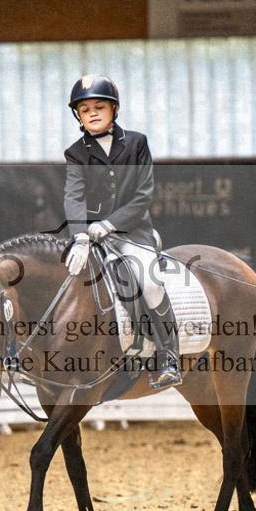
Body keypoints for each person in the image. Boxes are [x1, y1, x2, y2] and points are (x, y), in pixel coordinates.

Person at [62, 74, 182, 389]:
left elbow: (144, 196)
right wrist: (79, 236)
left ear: (114, 109)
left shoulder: (137, 143)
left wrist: (109, 224)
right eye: (85, 109)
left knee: (147, 282)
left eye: (99, 106)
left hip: (132, 233)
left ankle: (169, 355)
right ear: (78, 115)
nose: (93, 113)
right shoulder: (76, 153)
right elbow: (73, 196)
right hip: (91, 238)